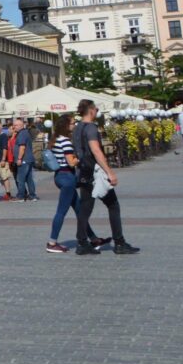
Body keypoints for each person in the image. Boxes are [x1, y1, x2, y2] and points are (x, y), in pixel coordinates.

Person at [72, 99, 138, 257]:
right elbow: (96, 150)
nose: (96, 111)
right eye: (95, 109)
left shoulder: (77, 128)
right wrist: (109, 172)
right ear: (91, 110)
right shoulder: (91, 128)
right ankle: (119, 243)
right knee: (113, 205)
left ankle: (82, 243)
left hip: (83, 172)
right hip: (95, 173)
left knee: (85, 209)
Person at [45, 115, 79, 253]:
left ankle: (93, 238)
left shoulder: (56, 139)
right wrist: (80, 157)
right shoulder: (65, 141)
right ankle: (52, 242)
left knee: (80, 209)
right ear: (66, 125)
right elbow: (71, 162)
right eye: (72, 123)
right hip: (67, 176)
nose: (74, 125)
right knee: (61, 211)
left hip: (59, 175)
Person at [10, 119, 37, 202]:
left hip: (24, 160)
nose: (14, 127)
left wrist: (19, 158)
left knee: (20, 178)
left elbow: (22, 147)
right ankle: (32, 196)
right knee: (29, 178)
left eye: (16, 125)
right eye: (14, 125)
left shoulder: (22, 134)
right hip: (28, 159)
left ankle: (20, 196)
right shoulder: (24, 133)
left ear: (21, 125)